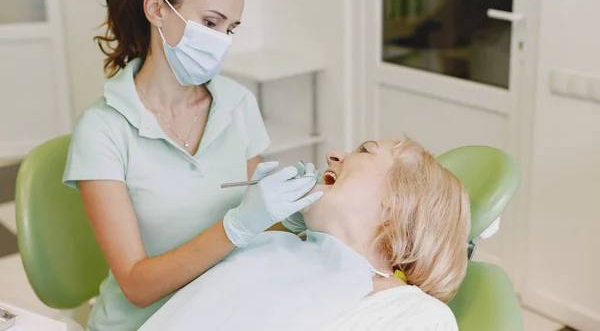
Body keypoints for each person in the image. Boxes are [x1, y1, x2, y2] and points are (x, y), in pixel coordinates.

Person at [62, 0, 322, 331]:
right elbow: (136, 284)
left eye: (230, 29)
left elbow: (256, 225)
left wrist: (289, 217)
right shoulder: (102, 130)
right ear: (157, 10)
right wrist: (235, 227)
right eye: (210, 23)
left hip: (224, 311)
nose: (223, 41)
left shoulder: (238, 104)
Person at [140, 137, 471, 331]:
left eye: (365, 151)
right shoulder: (275, 245)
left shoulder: (414, 315)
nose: (334, 155)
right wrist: (250, 225)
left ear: (397, 202)